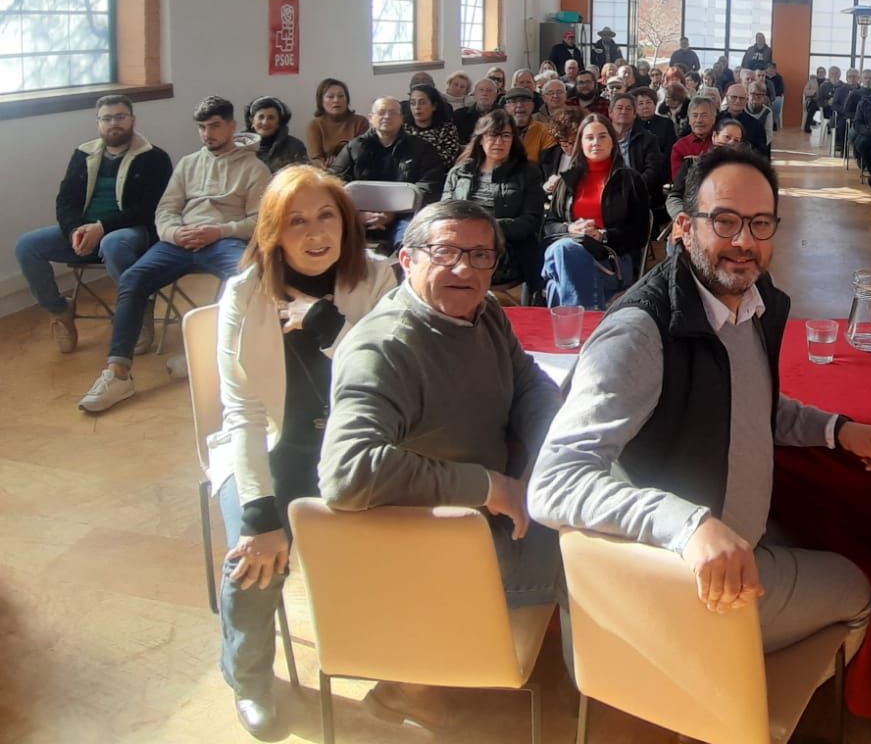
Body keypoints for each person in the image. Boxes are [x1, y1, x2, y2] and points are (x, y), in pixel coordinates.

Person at [531, 146, 871, 665]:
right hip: (675, 580)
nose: (744, 243)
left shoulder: (753, 300)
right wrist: (690, 526)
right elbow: (555, 483)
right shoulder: (642, 333)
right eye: (724, 222)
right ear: (685, 226)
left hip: (734, 535)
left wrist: (836, 429)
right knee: (859, 586)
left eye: (760, 224)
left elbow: (743, 401)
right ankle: (727, 699)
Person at [318, 200, 562, 729]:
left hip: (484, 527)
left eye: (480, 255)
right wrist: (488, 485)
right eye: (446, 252)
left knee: (600, 504)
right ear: (407, 259)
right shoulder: (383, 348)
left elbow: (528, 383)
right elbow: (346, 472)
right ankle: (415, 679)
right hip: (432, 550)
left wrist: (554, 455)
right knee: (601, 552)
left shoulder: (485, 311)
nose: (465, 270)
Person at [212, 166, 395, 739]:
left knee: (410, 531)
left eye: (326, 217)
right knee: (255, 560)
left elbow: (387, 381)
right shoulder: (243, 293)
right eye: (296, 222)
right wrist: (259, 511)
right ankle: (248, 676)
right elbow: (241, 411)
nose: (316, 234)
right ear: (273, 233)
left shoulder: (379, 278)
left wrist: (327, 327)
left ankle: (405, 665)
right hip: (274, 446)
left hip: (356, 444)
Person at [79, 97, 269, 414]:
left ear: (232, 127)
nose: (207, 133)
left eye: (215, 126)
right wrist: (174, 233)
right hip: (178, 241)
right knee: (132, 279)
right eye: (202, 127)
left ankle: (209, 352)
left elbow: (260, 221)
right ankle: (118, 373)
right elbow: (165, 211)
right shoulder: (188, 163)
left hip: (223, 240)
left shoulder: (254, 168)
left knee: (243, 277)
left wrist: (219, 232)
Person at [15, 96, 172, 355]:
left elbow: (149, 210)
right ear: (98, 124)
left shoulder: (154, 158)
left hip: (131, 233)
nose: (114, 124)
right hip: (86, 232)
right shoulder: (83, 154)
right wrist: (75, 229)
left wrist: (101, 227)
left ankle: (138, 306)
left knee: (113, 243)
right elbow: (65, 201)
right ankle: (59, 311)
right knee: (27, 246)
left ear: (132, 120)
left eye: (120, 117)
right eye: (107, 119)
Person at [541, 114, 651, 308]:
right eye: (589, 137)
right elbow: (549, 227)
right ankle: (590, 320)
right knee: (564, 250)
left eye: (602, 136)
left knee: (557, 280)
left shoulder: (630, 180)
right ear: (580, 143)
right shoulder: (566, 181)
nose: (595, 143)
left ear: (613, 141)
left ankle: (575, 326)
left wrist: (603, 235)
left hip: (610, 259)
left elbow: (639, 233)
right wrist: (571, 228)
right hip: (570, 251)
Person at [440, 109, 546, 293]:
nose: (499, 142)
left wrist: (488, 229)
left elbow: (531, 221)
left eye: (505, 136)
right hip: (461, 243)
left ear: (514, 140)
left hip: (507, 247)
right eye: (492, 135)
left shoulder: (528, 173)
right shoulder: (459, 172)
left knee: (467, 263)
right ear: (480, 139)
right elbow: (444, 213)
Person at [328, 98, 446, 252]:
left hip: (405, 216)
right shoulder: (354, 147)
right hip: (358, 216)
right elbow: (333, 183)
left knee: (410, 246)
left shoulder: (421, 149)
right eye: (382, 112)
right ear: (371, 118)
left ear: (402, 118)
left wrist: (393, 213)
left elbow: (430, 185)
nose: (387, 117)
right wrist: (357, 214)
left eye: (393, 113)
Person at [666, 117, 745, 221]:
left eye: (736, 140)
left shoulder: (742, 173)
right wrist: (683, 216)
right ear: (714, 136)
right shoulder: (691, 164)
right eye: (727, 137)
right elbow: (674, 197)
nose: (731, 143)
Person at [610, 90, 666, 191]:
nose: (624, 111)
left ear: (634, 114)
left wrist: (632, 187)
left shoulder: (648, 139)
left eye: (628, 109)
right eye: (619, 108)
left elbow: (653, 171)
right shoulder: (603, 137)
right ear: (610, 113)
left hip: (638, 191)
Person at [305, 78, 368, 168]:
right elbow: (315, 158)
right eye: (330, 97)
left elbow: (362, 154)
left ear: (347, 100)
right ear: (321, 101)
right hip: (326, 173)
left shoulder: (360, 122)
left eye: (341, 96)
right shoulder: (315, 125)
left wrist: (340, 162)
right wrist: (325, 166)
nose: (336, 100)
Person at [403, 84, 462, 167]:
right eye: (412, 103)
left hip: (437, 175)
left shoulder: (447, 129)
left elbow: (449, 159)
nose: (417, 107)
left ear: (434, 106)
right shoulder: (404, 129)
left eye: (422, 103)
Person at [244, 97, 308, 174]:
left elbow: (304, 178)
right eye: (261, 117)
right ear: (252, 121)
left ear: (279, 123)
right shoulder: (238, 147)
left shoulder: (295, 147)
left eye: (271, 118)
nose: (265, 122)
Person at [670, 94, 720, 179]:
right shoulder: (679, 146)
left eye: (704, 115)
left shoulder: (721, 142)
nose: (699, 120)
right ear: (689, 120)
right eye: (695, 115)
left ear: (713, 119)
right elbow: (677, 179)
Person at [502, 86, 555, 160]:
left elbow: (548, 164)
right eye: (514, 101)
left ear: (532, 106)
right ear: (506, 107)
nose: (519, 105)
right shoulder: (498, 131)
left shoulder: (546, 131)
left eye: (524, 100)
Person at [722, 83, 770, 158]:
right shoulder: (716, 119)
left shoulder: (757, 125)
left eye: (741, 98)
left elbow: (763, 153)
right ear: (727, 98)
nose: (738, 101)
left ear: (746, 100)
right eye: (734, 97)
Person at [633, 88, 677, 158]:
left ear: (655, 104)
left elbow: (670, 150)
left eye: (648, 102)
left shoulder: (666, 123)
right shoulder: (632, 124)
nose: (645, 106)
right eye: (641, 103)